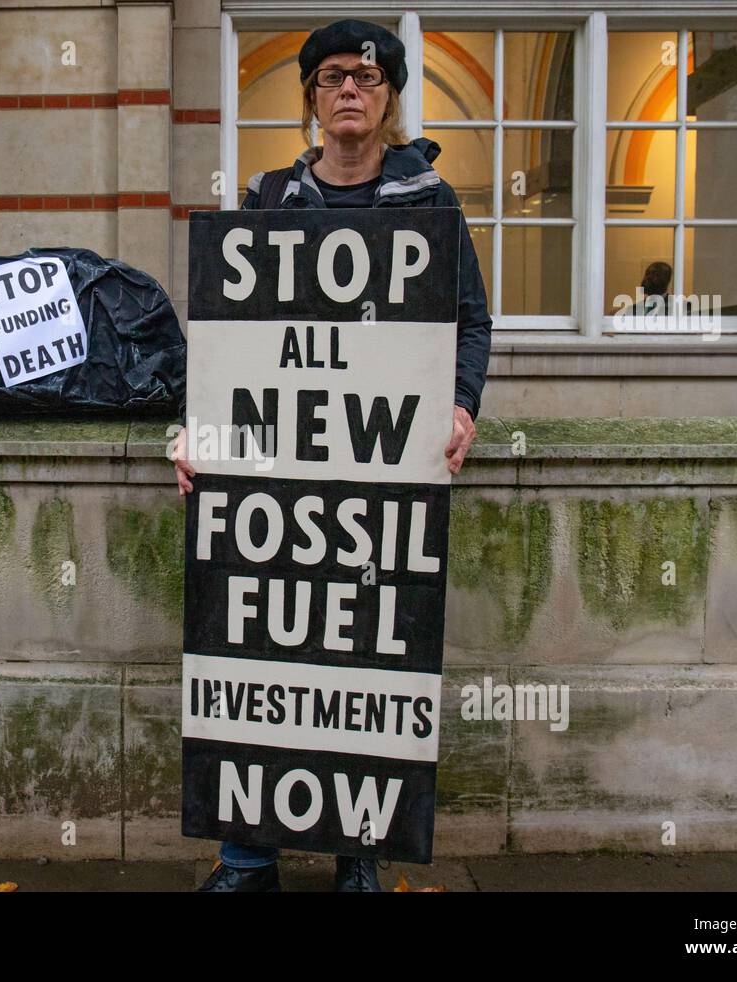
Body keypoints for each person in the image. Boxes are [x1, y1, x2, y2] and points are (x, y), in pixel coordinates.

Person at [172, 19, 493, 892]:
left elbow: (470, 320)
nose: (349, 88)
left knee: (367, 653)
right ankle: (248, 859)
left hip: (381, 481)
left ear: (387, 95)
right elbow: (224, 335)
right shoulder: (270, 198)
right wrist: (198, 424)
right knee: (262, 654)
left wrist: (461, 404)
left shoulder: (431, 202)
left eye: (367, 74)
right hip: (277, 477)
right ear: (311, 97)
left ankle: (361, 852)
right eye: (330, 77)